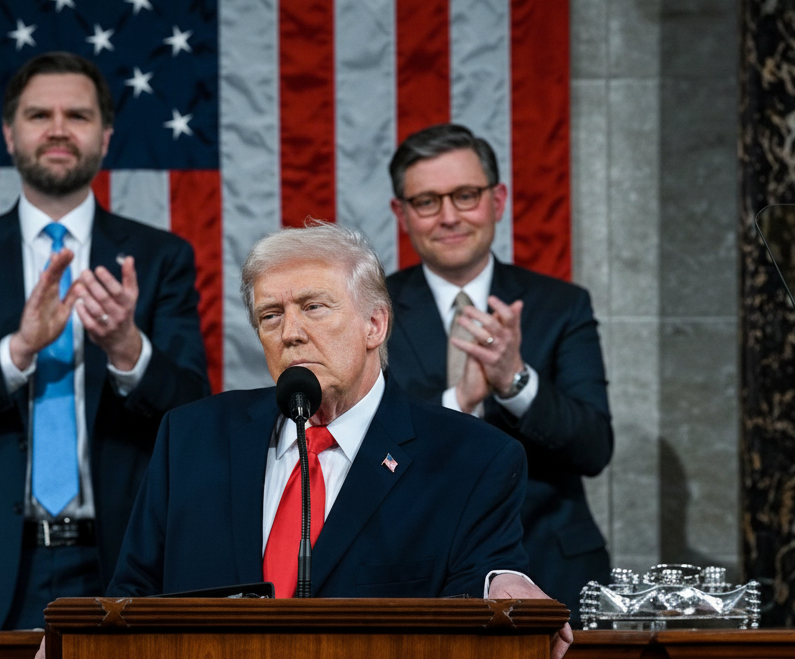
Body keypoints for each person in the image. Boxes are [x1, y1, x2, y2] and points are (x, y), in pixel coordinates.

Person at [106, 223, 571, 658]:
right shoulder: (191, 438)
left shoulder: (471, 458)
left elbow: (485, 582)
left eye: (313, 307)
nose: (290, 333)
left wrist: (505, 583)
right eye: (271, 315)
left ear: (375, 325)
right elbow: (131, 596)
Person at [0, 52, 211, 630]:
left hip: (122, 560)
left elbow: (195, 412)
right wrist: (15, 351)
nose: (59, 128)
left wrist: (127, 351)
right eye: (40, 114)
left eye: (78, 116)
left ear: (106, 137)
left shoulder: (162, 258)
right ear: (10, 134)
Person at [386, 123, 612, 620]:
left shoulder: (561, 305)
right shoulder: (371, 311)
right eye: (427, 202)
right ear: (401, 214)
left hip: (551, 569)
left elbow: (595, 448)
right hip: (416, 573)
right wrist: (457, 403)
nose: (449, 217)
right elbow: (360, 446)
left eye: (465, 195)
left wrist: (515, 381)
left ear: (498, 199)